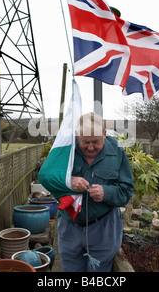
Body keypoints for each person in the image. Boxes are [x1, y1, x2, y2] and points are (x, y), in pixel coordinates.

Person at [57, 112, 134, 272]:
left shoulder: (117, 152)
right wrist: (68, 182)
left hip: (103, 228)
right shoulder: (65, 149)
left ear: (105, 135)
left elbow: (127, 191)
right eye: (85, 142)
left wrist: (107, 193)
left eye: (96, 142)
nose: (90, 147)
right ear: (77, 135)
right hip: (70, 226)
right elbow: (49, 179)